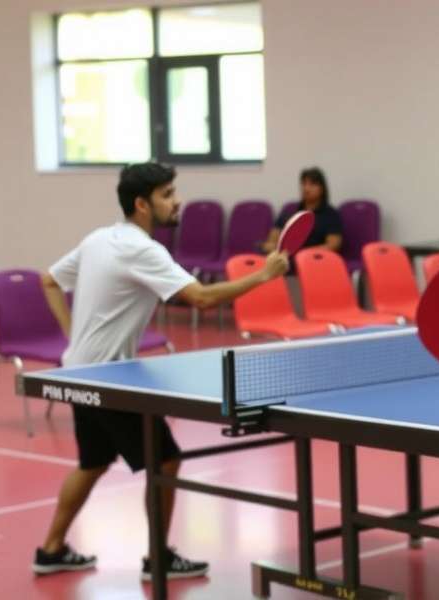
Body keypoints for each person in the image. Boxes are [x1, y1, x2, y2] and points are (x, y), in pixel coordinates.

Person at [32, 162, 289, 580]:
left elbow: (49, 280)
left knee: (93, 462)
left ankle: (51, 550)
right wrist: (264, 275)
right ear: (142, 204)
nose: (177, 201)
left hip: (79, 372)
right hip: (108, 379)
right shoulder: (142, 249)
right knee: (166, 460)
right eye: (167, 194)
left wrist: (71, 341)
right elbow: (201, 297)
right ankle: (158, 558)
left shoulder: (100, 238)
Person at [262, 167, 343, 253]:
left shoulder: (330, 214)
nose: (306, 188)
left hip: (314, 258)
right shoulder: (290, 211)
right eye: (304, 184)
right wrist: (271, 247)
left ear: (322, 188)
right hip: (286, 257)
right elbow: (271, 241)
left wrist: (302, 254)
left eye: (312, 184)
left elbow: (333, 245)